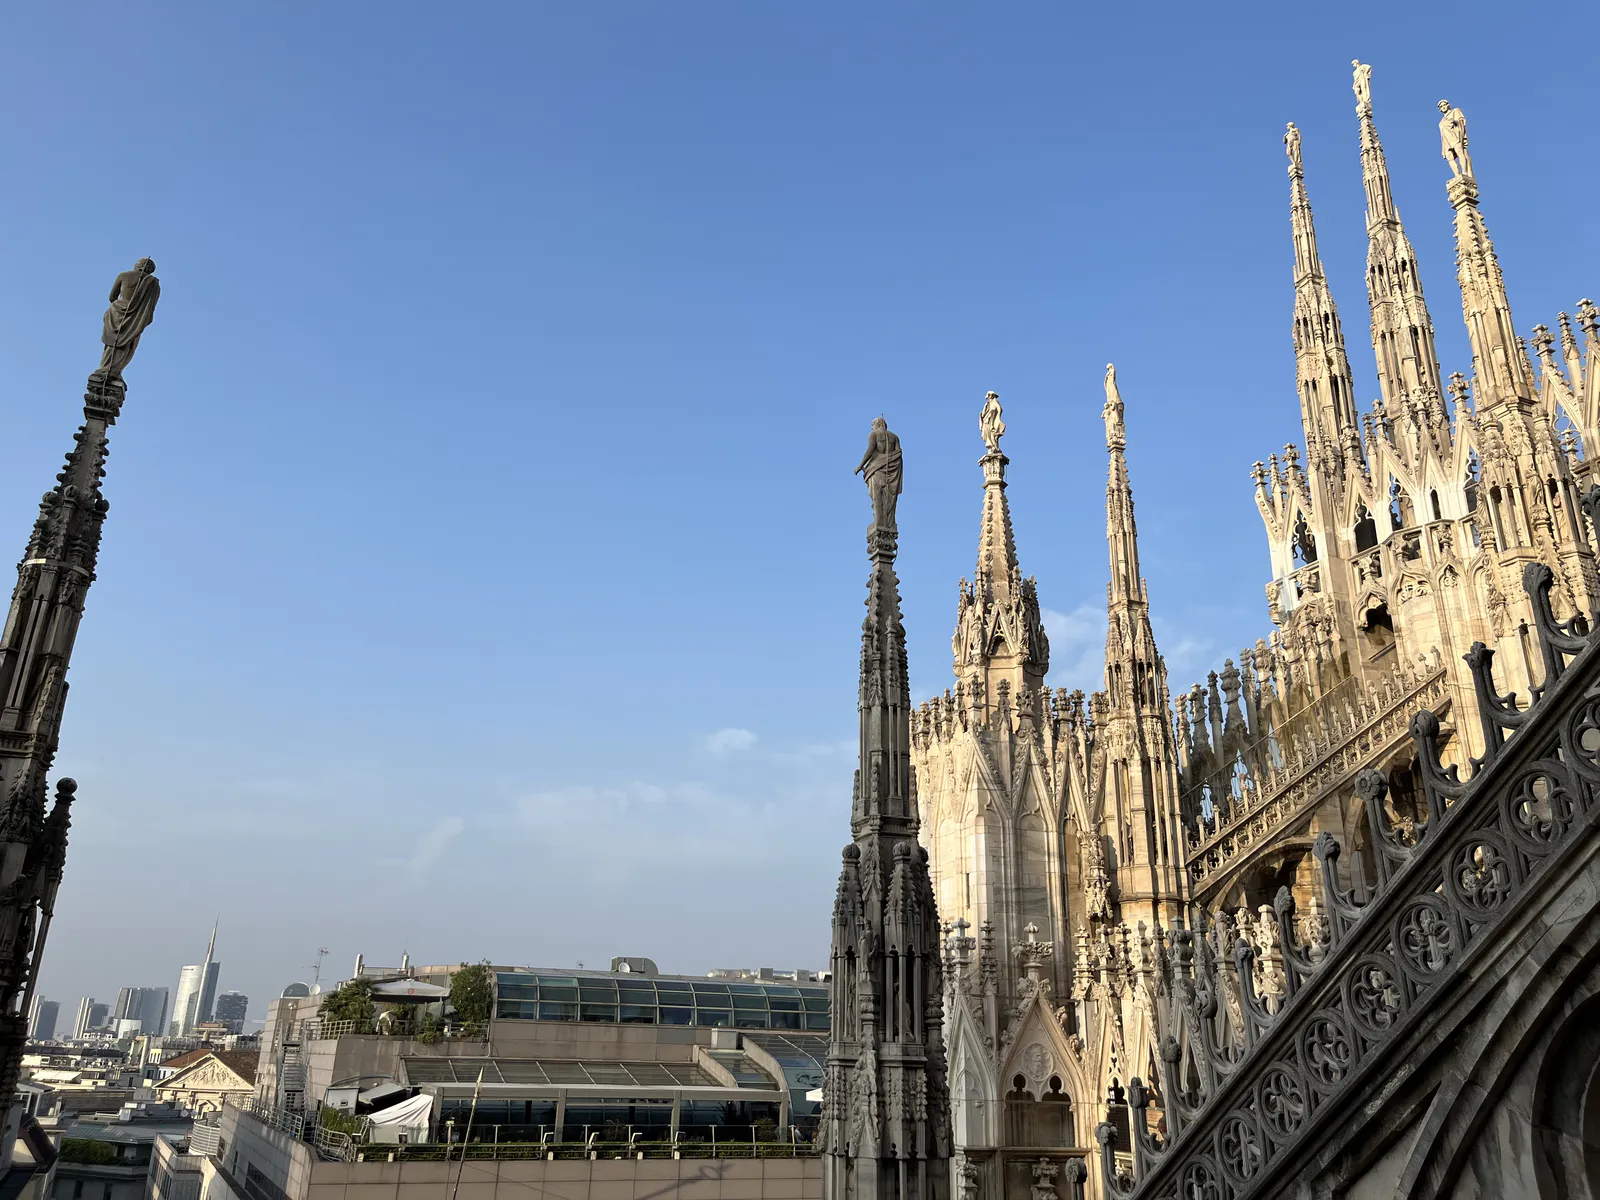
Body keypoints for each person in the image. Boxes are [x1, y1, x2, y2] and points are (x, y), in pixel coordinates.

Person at [97, 258, 160, 380]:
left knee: (112, 342)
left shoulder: (123, 275)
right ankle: (115, 370)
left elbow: (112, 297)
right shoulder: (153, 283)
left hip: (116, 312)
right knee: (127, 344)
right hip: (136, 319)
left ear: (137, 265)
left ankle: (105, 367)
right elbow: (150, 307)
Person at [855, 417, 903, 530]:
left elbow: (870, 450)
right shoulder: (895, 437)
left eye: (872, 426)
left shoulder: (873, 434)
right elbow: (898, 454)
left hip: (876, 470)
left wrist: (860, 466)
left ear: (876, 425)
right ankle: (888, 522)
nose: (872, 428)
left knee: (877, 497)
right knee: (889, 498)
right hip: (891, 472)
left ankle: (879, 522)